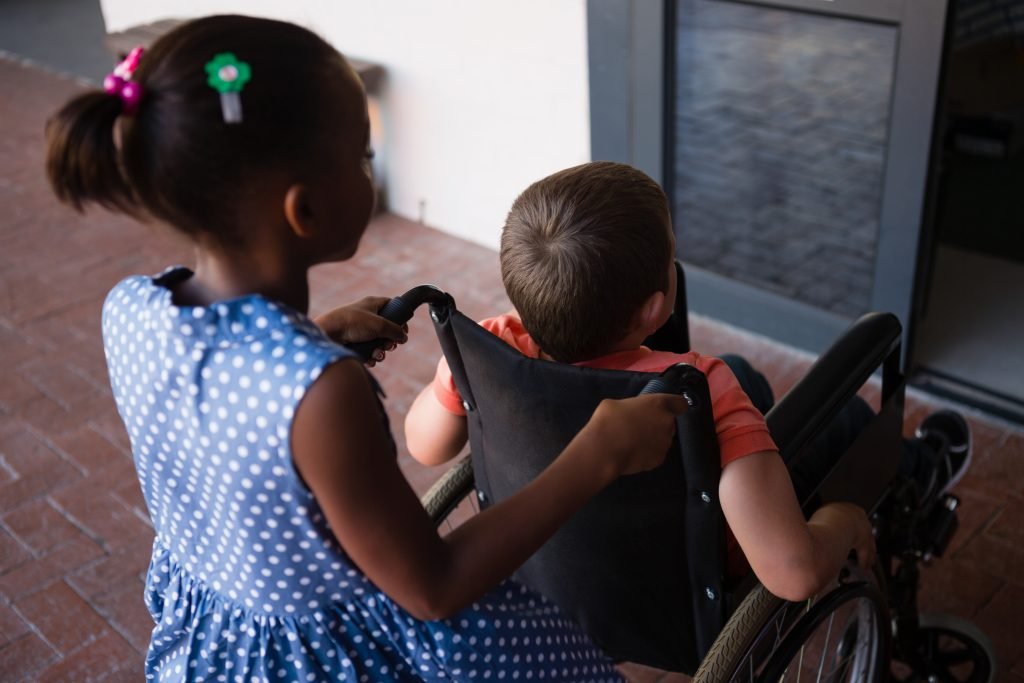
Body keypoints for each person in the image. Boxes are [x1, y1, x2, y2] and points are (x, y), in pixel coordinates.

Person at [45, 17, 688, 682]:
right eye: (362, 155)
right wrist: (596, 455)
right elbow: (433, 585)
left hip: (219, 643)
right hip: (335, 659)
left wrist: (315, 333)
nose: (369, 166)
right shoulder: (323, 394)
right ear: (304, 211)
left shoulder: (130, 308)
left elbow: (221, 393)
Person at [405, 161, 972, 599]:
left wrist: (446, 386)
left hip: (551, 556)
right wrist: (842, 521)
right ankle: (917, 469)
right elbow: (794, 575)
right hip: (682, 571)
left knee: (747, 376)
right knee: (833, 411)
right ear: (655, 310)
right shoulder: (698, 394)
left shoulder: (485, 350)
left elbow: (425, 447)